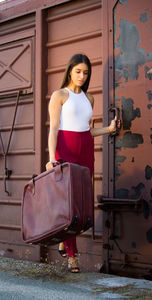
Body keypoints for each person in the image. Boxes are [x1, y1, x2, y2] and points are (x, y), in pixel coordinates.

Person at [46, 53, 117, 273]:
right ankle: (72, 257)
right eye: (78, 71)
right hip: (65, 150)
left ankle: (63, 240)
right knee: (70, 203)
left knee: (82, 202)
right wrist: (51, 159)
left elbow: (87, 130)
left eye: (85, 72)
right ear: (69, 71)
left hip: (85, 151)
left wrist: (108, 129)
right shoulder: (60, 95)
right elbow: (54, 129)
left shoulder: (90, 99)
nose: (82, 76)